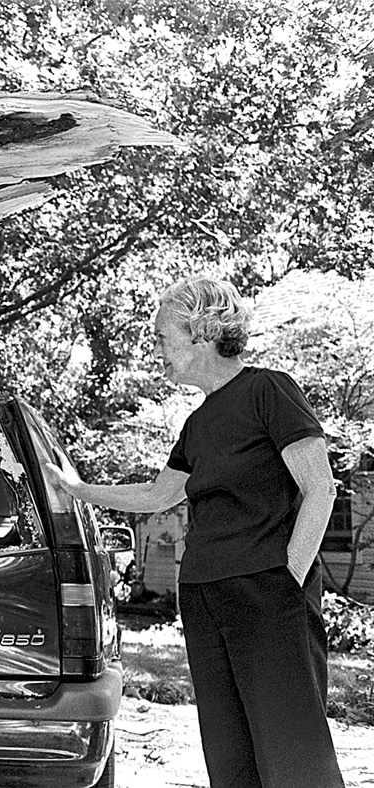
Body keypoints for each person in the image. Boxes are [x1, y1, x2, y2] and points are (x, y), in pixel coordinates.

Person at [45, 274, 344, 788]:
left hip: (267, 591)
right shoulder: (197, 424)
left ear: (200, 333)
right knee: (229, 753)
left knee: (293, 752)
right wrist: (76, 488)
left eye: (162, 337)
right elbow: (157, 496)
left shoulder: (269, 390)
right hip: (205, 595)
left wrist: (287, 576)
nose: (156, 349)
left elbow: (321, 489)